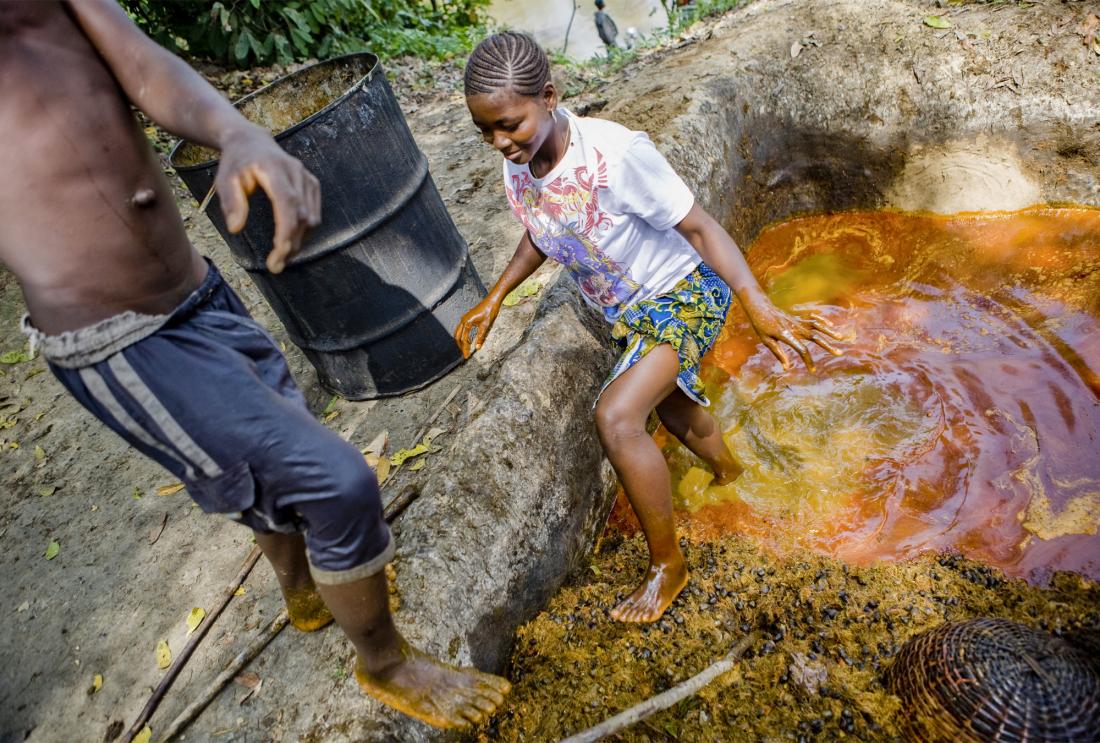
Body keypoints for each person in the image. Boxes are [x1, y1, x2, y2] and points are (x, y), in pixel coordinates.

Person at [0, 0, 508, 729]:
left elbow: (140, 61)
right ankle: (386, 663)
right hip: (118, 339)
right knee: (336, 481)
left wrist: (237, 132)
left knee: (276, 434)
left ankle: (303, 589)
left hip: (194, 288)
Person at [456, 32, 843, 623]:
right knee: (671, 410)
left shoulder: (615, 156)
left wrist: (756, 302)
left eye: (509, 124)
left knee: (616, 416)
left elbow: (701, 229)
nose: (499, 142)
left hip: (685, 292)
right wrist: (495, 297)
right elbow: (542, 230)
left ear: (551, 96)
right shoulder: (520, 165)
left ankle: (669, 566)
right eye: (486, 131)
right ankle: (731, 472)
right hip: (630, 311)